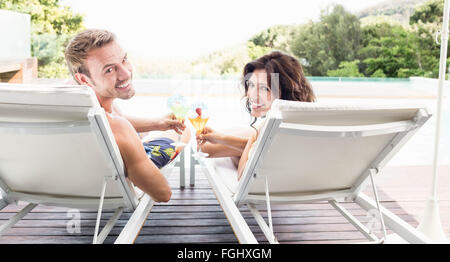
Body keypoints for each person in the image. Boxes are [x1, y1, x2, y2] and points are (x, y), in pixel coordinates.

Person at [64, 29, 189, 202]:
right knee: (183, 130)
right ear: (84, 79)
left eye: (124, 60)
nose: (126, 73)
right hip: (119, 176)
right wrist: (135, 147)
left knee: (152, 129)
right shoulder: (119, 129)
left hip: (75, 181)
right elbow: (162, 193)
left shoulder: (71, 99)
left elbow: (111, 122)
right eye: (109, 70)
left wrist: (157, 123)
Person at [197, 51, 315, 180]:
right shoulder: (311, 124)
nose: (251, 95)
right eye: (251, 85)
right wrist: (223, 138)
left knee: (200, 141)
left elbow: (242, 175)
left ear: (286, 91)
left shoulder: (265, 129)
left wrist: (254, 136)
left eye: (265, 88)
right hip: (306, 186)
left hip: (268, 189)